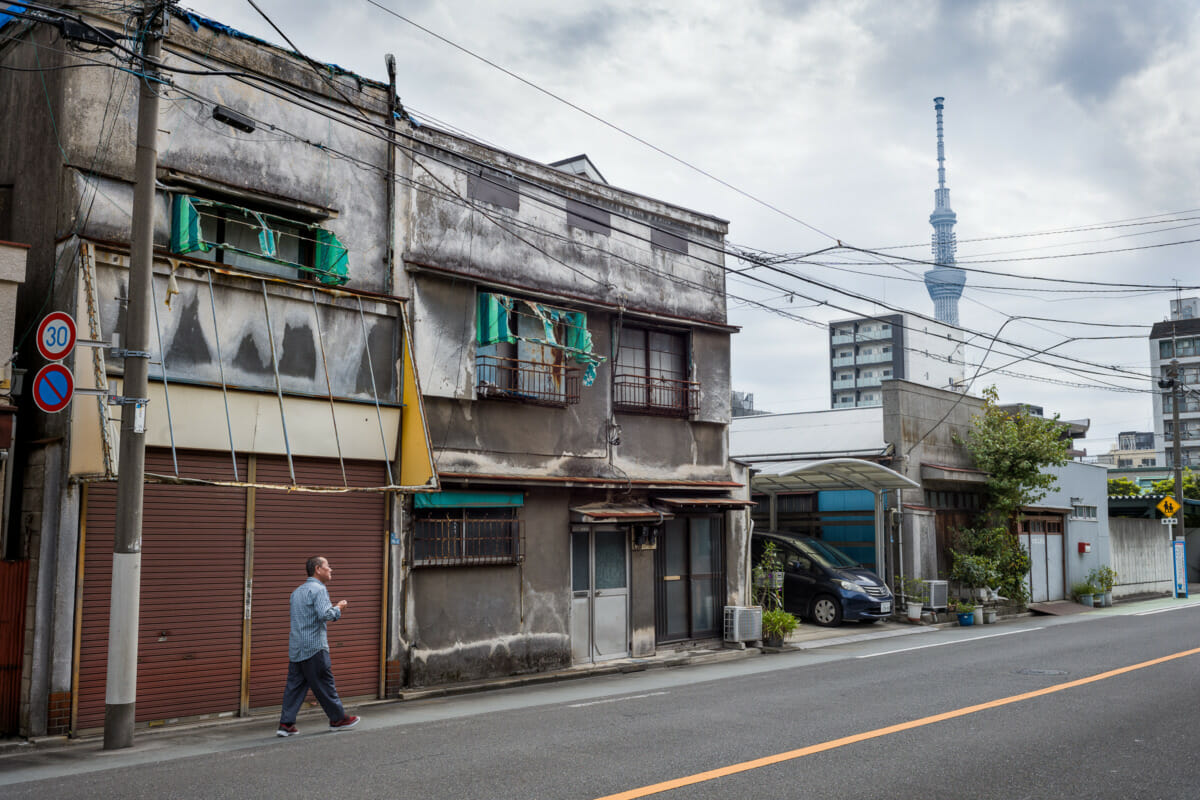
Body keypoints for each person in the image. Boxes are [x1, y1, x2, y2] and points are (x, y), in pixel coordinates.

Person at [277, 556, 360, 736]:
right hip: (315, 647)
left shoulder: (296, 592)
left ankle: (286, 724)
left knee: (295, 687)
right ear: (317, 569)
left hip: (296, 647)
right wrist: (339, 607)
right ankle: (338, 719)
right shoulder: (319, 589)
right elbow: (326, 615)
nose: (331, 570)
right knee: (325, 683)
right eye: (328, 566)